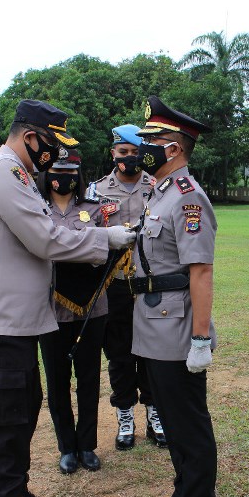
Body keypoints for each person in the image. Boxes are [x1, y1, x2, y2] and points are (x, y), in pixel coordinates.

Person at [0, 100, 135, 497]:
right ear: (31, 138)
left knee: (21, 411)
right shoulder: (3, 173)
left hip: (14, 323)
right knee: (7, 419)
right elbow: (45, 238)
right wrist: (105, 239)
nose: (56, 155)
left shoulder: (15, 174)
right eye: (52, 145)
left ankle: (15, 496)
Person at [130, 95, 218, 497]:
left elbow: (200, 272)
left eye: (151, 139)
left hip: (176, 327)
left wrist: (200, 339)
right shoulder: (160, 193)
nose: (142, 147)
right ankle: (183, 495)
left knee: (188, 422)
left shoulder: (187, 197)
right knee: (171, 418)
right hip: (152, 323)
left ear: (174, 148)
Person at [87, 124, 167, 451]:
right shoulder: (96, 191)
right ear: (113, 153)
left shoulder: (158, 186)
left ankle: (154, 414)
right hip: (115, 285)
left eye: (136, 152)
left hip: (150, 283)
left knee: (152, 353)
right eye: (124, 152)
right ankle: (125, 417)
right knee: (119, 355)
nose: (130, 158)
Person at [36, 148, 116, 475]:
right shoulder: (35, 209)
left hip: (92, 308)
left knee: (89, 378)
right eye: (58, 170)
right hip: (49, 309)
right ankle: (66, 447)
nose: (64, 177)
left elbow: (105, 251)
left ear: (78, 175)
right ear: (47, 174)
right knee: (57, 381)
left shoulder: (94, 209)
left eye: (70, 171)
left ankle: (87, 445)